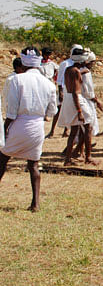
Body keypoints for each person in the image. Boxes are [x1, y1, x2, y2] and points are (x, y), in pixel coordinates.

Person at [0, 47, 57, 212]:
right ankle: (35, 203)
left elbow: (11, 111)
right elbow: (52, 111)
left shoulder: (16, 80)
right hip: (38, 126)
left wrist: (4, 129)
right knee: (33, 164)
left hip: (19, 123)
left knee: (2, 159)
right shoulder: (48, 83)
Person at [58, 48, 98, 166]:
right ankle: (88, 157)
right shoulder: (75, 71)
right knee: (88, 127)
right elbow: (76, 92)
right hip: (76, 100)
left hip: (69, 100)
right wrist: (79, 111)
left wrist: (82, 72)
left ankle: (68, 159)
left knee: (74, 130)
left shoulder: (68, 69)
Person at [48, 44, 83, 138]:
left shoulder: (80, 64)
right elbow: (59, 79)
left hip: (73, 90)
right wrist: (60, 92)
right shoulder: (65, 63)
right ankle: (52, 131)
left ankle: (66, 131)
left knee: (71, 111)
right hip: (65, 90)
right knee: (59, 110)